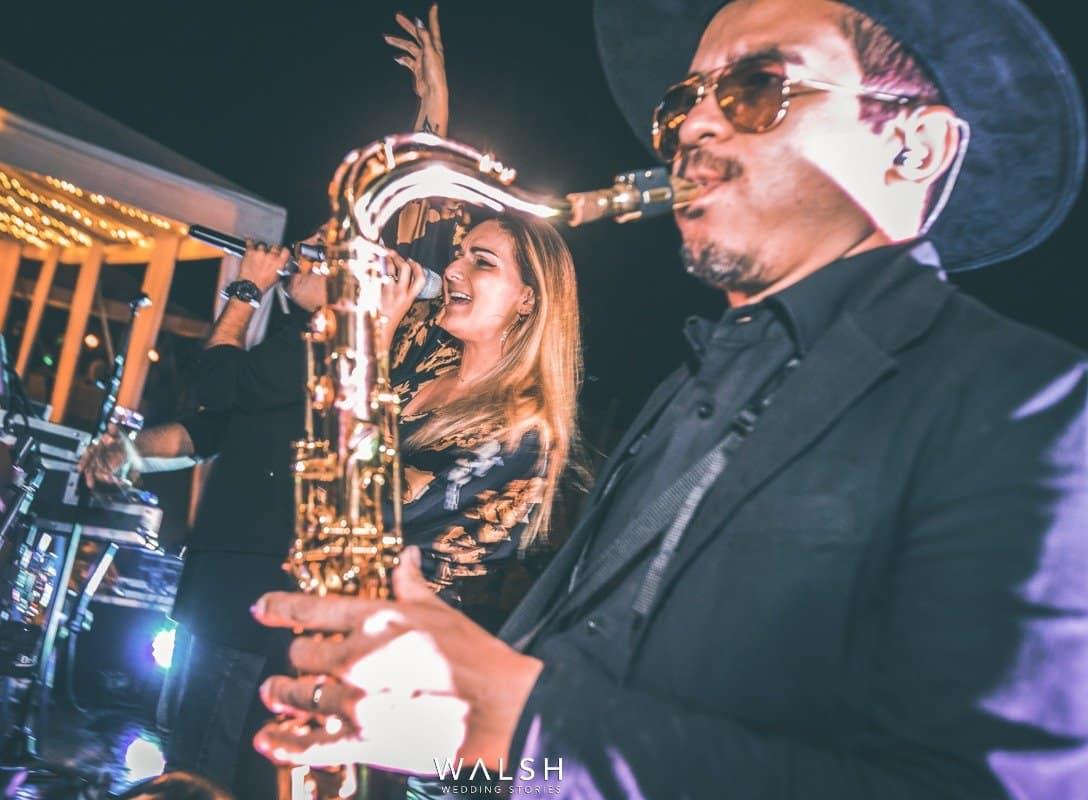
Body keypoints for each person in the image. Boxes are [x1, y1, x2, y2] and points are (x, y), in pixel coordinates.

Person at [249, 0, 1088, 797]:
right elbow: (555, 745)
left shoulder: (1026, 404)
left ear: (915, 145)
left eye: (757, 89)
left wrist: (526, 727)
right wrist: (443, 762)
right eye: (682, 103)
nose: (691, 126)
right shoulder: (686, 389)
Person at [80, 7, 582, 797]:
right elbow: (410, 219)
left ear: (529, 303)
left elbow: (408, 537)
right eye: (458, 259)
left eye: (480, 265)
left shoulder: (521, 430)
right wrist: (428, 117)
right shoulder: (421, 362)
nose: (452, 270)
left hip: (387, 688)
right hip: (309, 639)